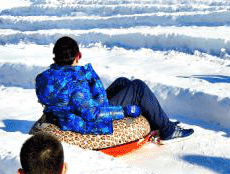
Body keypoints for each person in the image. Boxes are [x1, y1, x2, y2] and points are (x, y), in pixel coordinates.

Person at [35, 36, 193, 141]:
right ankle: (167, 129)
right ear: (78, 56)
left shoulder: (45, 77)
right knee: (138, 87)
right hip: (83, 118)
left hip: (71, 111)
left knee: (122, 82)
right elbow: (92, 114)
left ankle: (158, 120)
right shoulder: (75, 83)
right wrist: (124, 111)